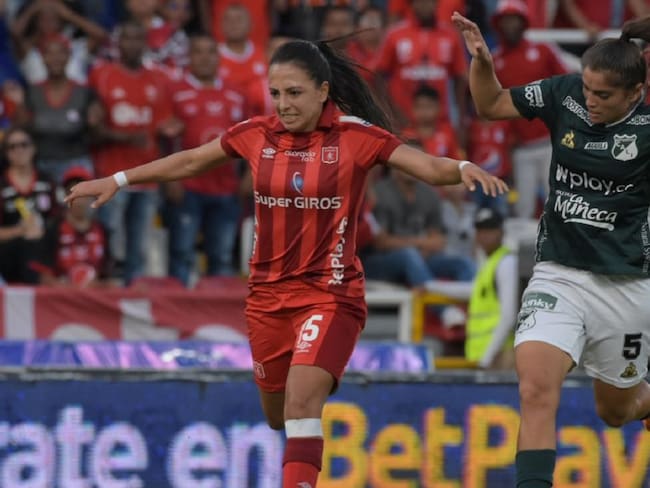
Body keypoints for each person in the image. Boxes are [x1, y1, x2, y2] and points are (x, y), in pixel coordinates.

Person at [65, 39, 507, 488]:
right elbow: (192, 160)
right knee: (278, 416)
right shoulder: (256, 134)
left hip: (330, 294)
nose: (283, 104)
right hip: (267, 299)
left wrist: (461, 167)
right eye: (276, 93)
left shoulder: (356, 137)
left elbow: (426, 166)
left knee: (300, 405)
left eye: (294, 93)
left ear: (322, 91)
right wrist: (119, 179)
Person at [453, 11, 650, 487]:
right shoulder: (565, 94)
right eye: (587, 88)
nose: (590, 100)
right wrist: (482, 63)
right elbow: (491, 104)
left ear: (635, 93)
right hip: (559, 274)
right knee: (536, 390)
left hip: (625, 284)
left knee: (615, 412)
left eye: (603, 95)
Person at [165, 34, 246, 285]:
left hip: (226, 187)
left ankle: (215, 307)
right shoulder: (175, 92)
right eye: (198, 51)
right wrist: (171, 180)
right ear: (189, 56)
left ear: (218, 57)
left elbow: (250, 139)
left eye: (210, 52)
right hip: (188, 186)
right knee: (182, 252)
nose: (204, 57)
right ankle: (176, 305)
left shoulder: (235, 94)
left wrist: (247, 177)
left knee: (221, 256)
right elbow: (165, 139)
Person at [491, 0, 570, 219]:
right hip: (520, 148)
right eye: (506, 21)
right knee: (522, 208)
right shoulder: (494, 61)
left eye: (514, 20)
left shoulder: (543, 51)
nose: (510, 25)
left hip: (550, 142)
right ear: (499, 24)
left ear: (523, 22)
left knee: (558, 204)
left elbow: (567, 84)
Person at [33, 165, 112, 287]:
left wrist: (95, 285)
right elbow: (43, 277)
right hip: (62, 296)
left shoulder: (102, 230)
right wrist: (68, 288)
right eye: (73, 193)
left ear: (93, 196)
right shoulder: (52, 230)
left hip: (94, 295)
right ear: (65, 195)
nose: (79, 200)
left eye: (85, 194)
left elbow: (109, 278)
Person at [0, 126, 59, 284]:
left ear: (33, 147)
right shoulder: (1, 185)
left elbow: (59, 221)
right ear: (6, 153)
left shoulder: (48, 182)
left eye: (24, 144)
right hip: (8, 257)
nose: (19, 150)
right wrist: (20, 230)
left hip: (44, 252)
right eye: (12, 146)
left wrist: (41, 229)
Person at [464, 207, 518, 369]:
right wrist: (430, 286)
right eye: (480, 230)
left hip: (499, 355)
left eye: (489, 230)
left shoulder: (506, 262)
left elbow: (508, 316)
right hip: (485, 355)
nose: (484, 236)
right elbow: (471, 290)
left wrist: (487, 358)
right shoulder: (489, 263)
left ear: (501, 232)